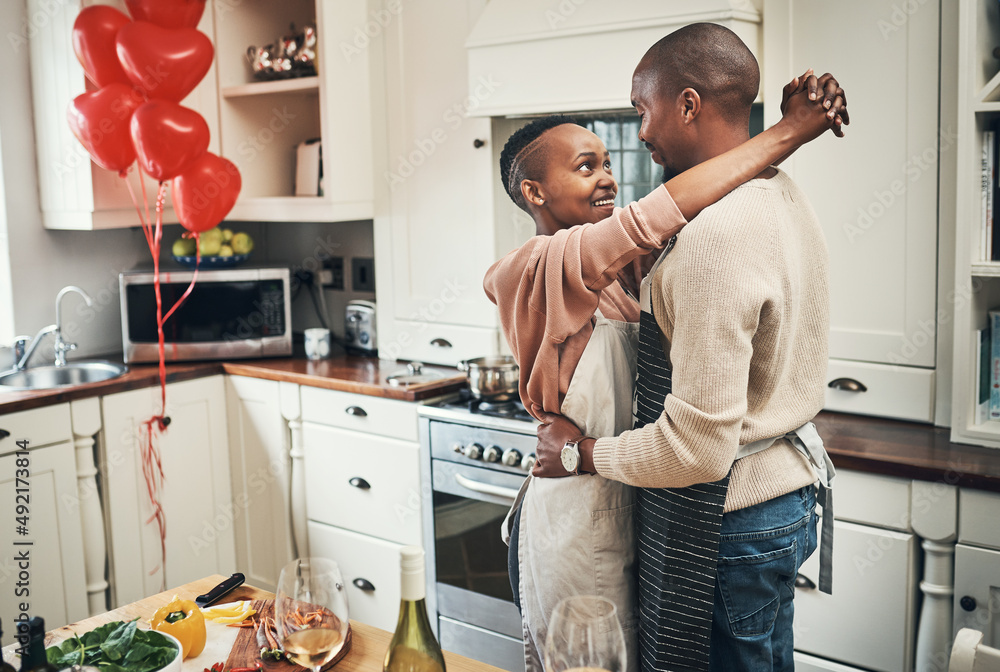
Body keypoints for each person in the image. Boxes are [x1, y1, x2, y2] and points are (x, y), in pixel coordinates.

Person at [486, 51, 846, 672]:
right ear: (533, 191)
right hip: (574, 506)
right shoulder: (530, 269)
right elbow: (665, 211)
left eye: (607, 162)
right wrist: (787, 131)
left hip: (632, 493)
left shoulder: (622, 268)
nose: (609, 176)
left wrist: (768, 134)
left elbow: (698, 213)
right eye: (586, 167)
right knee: (589, 655)